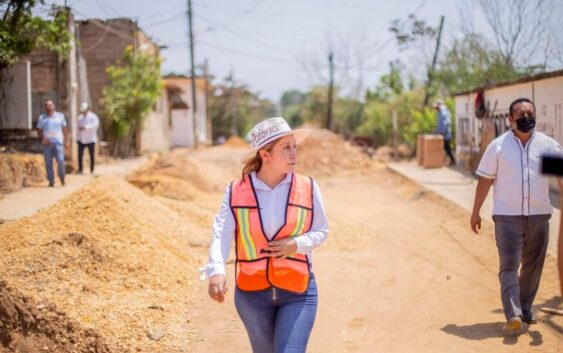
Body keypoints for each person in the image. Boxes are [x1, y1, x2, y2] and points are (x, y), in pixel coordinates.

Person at [202, 117, 329, 353]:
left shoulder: (308, 187)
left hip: (298, 292)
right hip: (251, 296)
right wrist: (216, 271)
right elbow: (221, 233)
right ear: (265, 155)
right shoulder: (236, 191)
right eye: (286, 147)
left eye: (294, 146)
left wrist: (297, 244)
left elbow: (322, 230)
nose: (294, 154)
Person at [470, 97, 562, 334]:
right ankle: (513, 314)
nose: (526, 118)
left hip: (540, 216)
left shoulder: (548, 147)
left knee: (532, 266)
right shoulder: (498, 147)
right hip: (507, 217)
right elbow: (485, 181)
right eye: (520, 115)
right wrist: (476, 211)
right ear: (510, 119)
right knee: (509, 266)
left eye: (530, 113)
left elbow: (561, 181)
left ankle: (525, 308)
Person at [36, 100, 68, 187]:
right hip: (47, 143)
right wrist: (42, 138)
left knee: (60, 161)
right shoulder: (42, 118)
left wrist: (66, 140)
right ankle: (51, 180)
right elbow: (39, 129)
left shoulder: (60, 116)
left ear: (53, 106)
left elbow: (64, 128)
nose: (48, 107)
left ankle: (62, 178)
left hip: (58, 142)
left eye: (50, 105)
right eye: (46, 106)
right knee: (48, 163)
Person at [77, 102, 99, 174]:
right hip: (81, 139)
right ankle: (80, 169)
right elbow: (78, 128)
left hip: (90, 139)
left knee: (91, 155)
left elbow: (95, 125)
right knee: (80, 155)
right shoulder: (80, 118)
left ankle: (92, 169)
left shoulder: (93, 117)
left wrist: (86, 127)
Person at [433, 99, 456, 165]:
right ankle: (448, 160)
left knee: (447, 147)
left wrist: (441, 132)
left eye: (436, 107)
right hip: (442, 133)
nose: (435, 109)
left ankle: (452, 160)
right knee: (445, 147)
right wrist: (436, 130)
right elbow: (440, 124)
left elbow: (446, 123)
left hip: (445, 134)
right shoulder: (440, 112)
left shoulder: (443, 112)